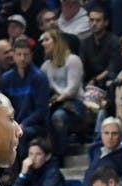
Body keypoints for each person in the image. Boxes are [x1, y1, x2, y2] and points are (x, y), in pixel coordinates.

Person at [2, 38, 50, 162]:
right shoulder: (6, 78)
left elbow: (41, 111)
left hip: (35, 125)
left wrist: (22, 124)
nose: (22, 58)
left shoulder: (39, 78)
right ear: (13, 55)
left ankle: (20, 173)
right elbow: (3, 107)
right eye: (19, 54)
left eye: (26, 54)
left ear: (31, 55)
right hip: (14, 123)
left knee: (21, 134)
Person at [39, 29, 84, 157]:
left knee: (58, 117)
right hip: (56, 103)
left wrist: (55, 98)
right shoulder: (46, 66)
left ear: (57, 42)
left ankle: (58, 156)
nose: (43, 44)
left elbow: (71, 90)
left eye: (47, 40)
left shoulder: (73, 60)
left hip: (74, 103)